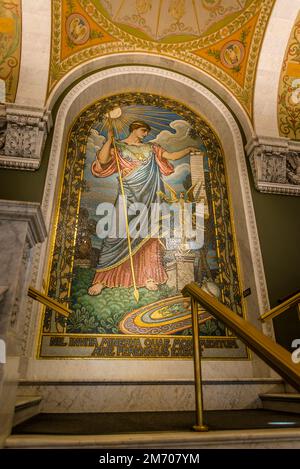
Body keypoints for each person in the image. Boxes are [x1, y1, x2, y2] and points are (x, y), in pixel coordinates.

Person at [88, 120, 198, 295]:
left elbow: (171, 156)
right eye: (143, 130)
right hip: (129, 195)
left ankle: (148, 277)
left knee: (149, 236)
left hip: (149, 196)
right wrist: (109, 139)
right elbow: (102, 160)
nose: (146, 134)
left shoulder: (151, 148)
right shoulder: (119, 147)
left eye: (147, 131)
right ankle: (103, 279)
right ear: (134, 129)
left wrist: (187, 149)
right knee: (116, 234)